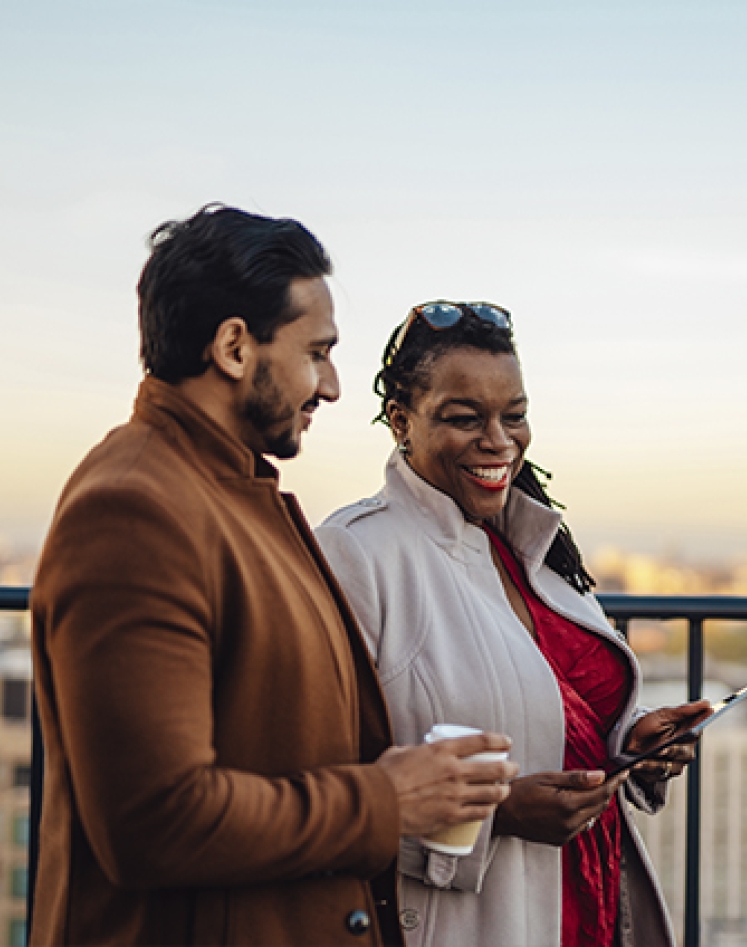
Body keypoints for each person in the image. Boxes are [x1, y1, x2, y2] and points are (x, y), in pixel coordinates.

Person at [29, 214, 517, 946]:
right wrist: (386, 797)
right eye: (316, 352)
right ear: (233, 347)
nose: (331, 384)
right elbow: (153, 822)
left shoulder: (219, 492)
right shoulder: (133, 506)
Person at [317, 301, 711, 947]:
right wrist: (496, 814)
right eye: (464, 417)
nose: (499, 440)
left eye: (514, 415)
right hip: (473, 920)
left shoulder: (531, 547)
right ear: (400, 422)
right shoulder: (357, 552)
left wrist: (628, 746)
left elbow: (547, 713)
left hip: (586, 907)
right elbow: (322, 787)